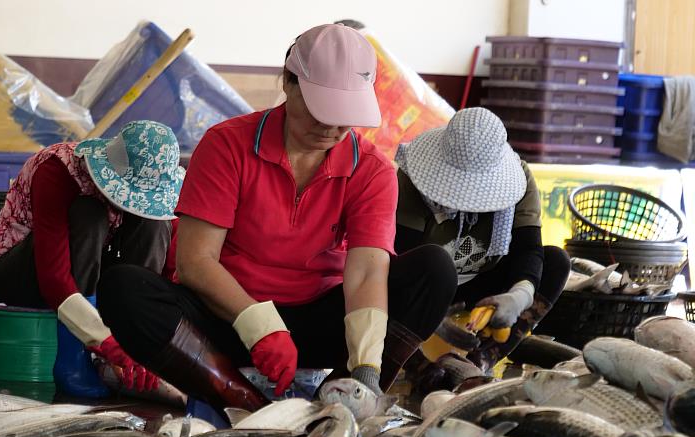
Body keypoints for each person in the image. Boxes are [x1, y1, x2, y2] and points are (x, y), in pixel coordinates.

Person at [97, 23, 457, 414]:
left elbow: (368, 272)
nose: (332, 128)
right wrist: (260, 326)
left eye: (344, 115)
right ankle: (241, 400)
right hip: (229, 318)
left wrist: (367, 368)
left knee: (434, 268)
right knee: (123, 287)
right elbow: (195, 261)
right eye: (322, 111)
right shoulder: (226, 145)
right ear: (288, 81)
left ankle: (345, 399)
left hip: (321, 320)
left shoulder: (372, 169)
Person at [0, 120, 185, 398]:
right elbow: (53, 276)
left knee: (154, 224)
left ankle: (129, 338)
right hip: (25, 275)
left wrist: (152, 338)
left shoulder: (155, 194)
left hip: (92, 272)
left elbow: (172, 268)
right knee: (88, 214)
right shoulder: (57, 169)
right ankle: (73, 358)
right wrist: (106, 343)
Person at [394, 107, 571, 388]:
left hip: (480, 280)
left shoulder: (521, 178)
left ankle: (484, 357)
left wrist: (520, 296)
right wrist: (433, 315)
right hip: (426, 282)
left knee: (556, 262)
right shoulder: (412, 180)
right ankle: (413, 362)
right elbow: (400, 256)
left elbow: (529, 250)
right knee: (415, 266)